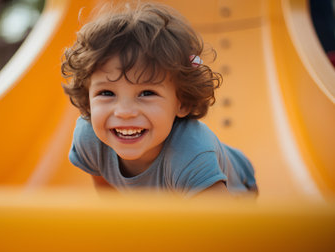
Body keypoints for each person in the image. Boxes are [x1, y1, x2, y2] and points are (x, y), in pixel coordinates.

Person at [61, 2, 258, 198]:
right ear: (87, 100)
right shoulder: (89, 139)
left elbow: (221, 226)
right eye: (106, 93)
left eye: (146, 93)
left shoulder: (191, 153)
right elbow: (108, 193)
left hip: (236, 191)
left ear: (182, 102)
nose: (124, 111)